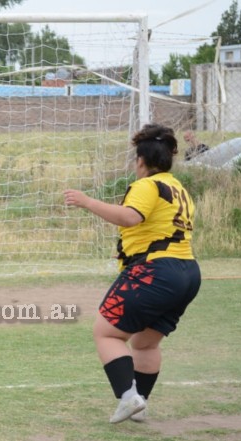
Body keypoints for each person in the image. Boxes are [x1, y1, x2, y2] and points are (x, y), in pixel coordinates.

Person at [63, 123, 201, 424]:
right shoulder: (178, 188)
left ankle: (128, 397)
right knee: (144, 343)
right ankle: (141, 404)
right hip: (187, 272)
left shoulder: (147, 185)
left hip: (156, 272)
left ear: (141, 160)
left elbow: (130, 217)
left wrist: (87, 201)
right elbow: (162, 229)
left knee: (106, 333)